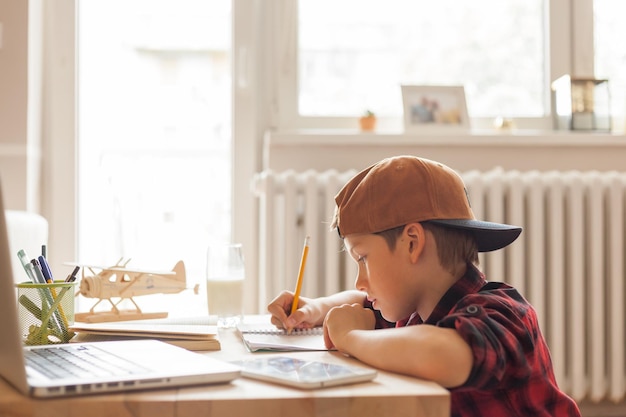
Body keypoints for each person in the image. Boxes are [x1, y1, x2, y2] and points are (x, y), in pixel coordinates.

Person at [267, 155, 581, 417]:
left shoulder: (503, 313)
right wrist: (315, 307)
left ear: (413, 243)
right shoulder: (415, 312)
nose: (359, 281)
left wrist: (349, 337)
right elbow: (361, 302)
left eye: (362, 258)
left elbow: (442, 354)